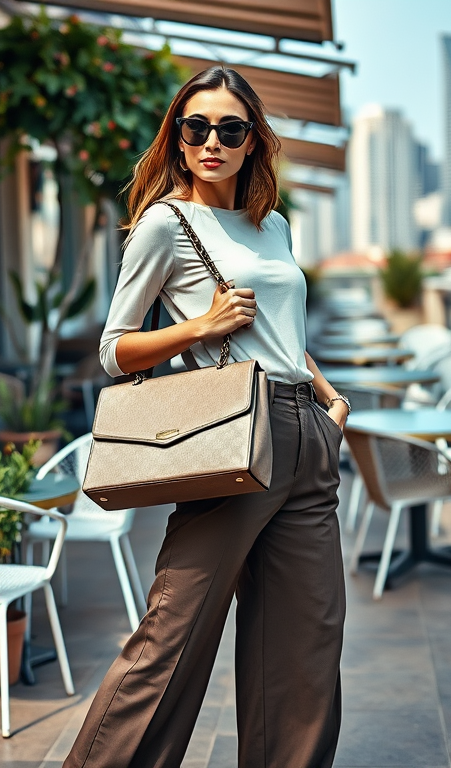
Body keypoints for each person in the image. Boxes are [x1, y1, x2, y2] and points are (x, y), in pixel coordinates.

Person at [64, 65, 349, 768]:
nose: (211, 141)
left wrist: (328, 398)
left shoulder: (273, 225)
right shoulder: (166, 223)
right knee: (174, 635)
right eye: (196, 128)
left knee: (305, 646)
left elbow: (283, 330)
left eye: (229, 128)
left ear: (253, 141)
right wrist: (199, 327)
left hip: (305, 434)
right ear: (178, 138)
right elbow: (113, 350)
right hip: (232, 439)